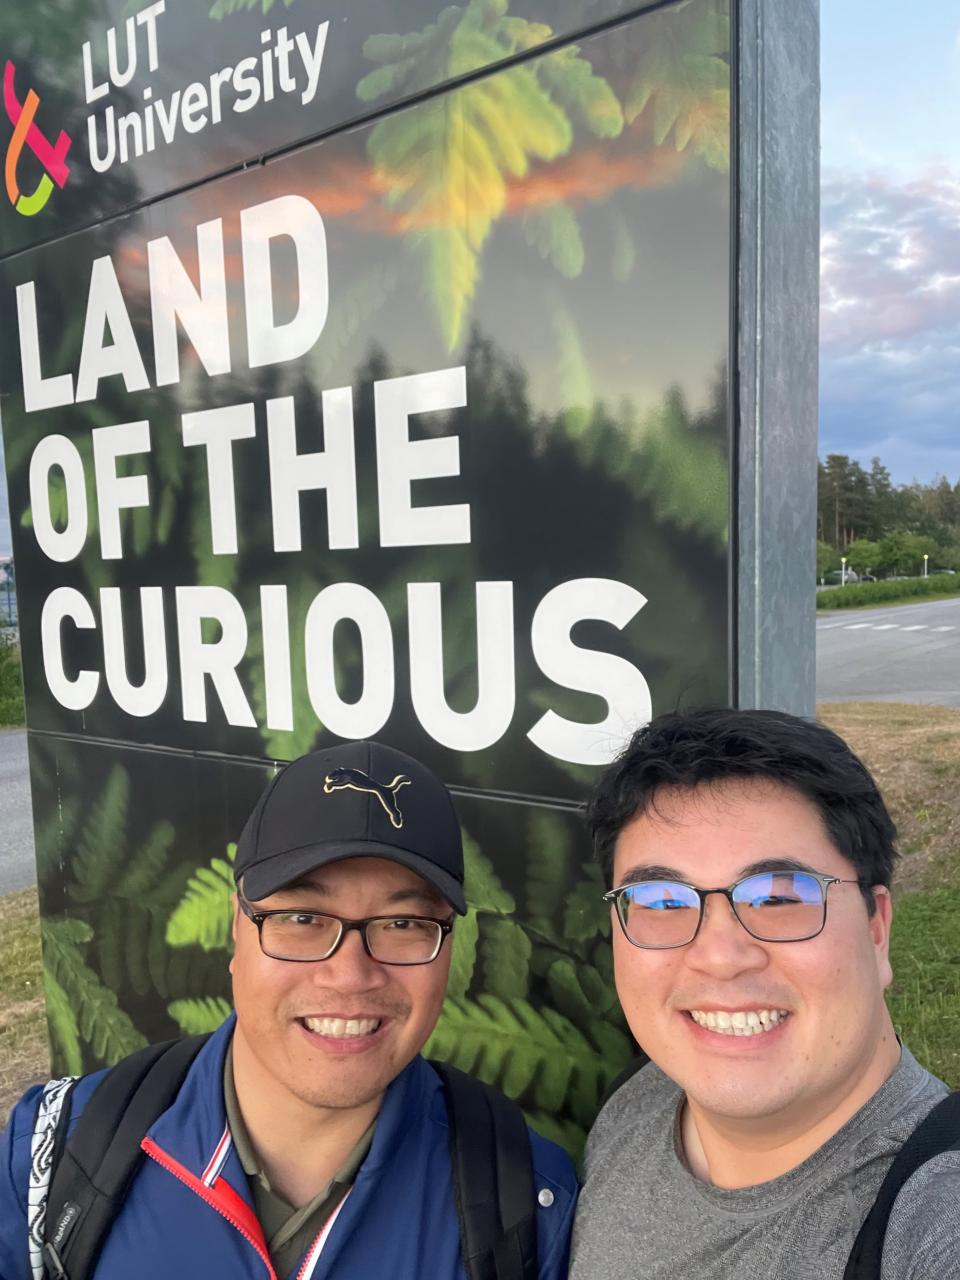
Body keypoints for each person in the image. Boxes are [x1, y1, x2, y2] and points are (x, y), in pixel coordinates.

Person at [0, 740, 576, 1280]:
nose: (351, 976)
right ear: (235, 928)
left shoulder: (531, 1205)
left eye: (404, 924)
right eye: (302, 918)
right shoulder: (50, 1157)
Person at [571, 707, 960, 1280]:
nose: (720, 957)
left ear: (876, 931)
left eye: (780, 896)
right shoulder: (638, 1103)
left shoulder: (933, 1221)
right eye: (661, 901)